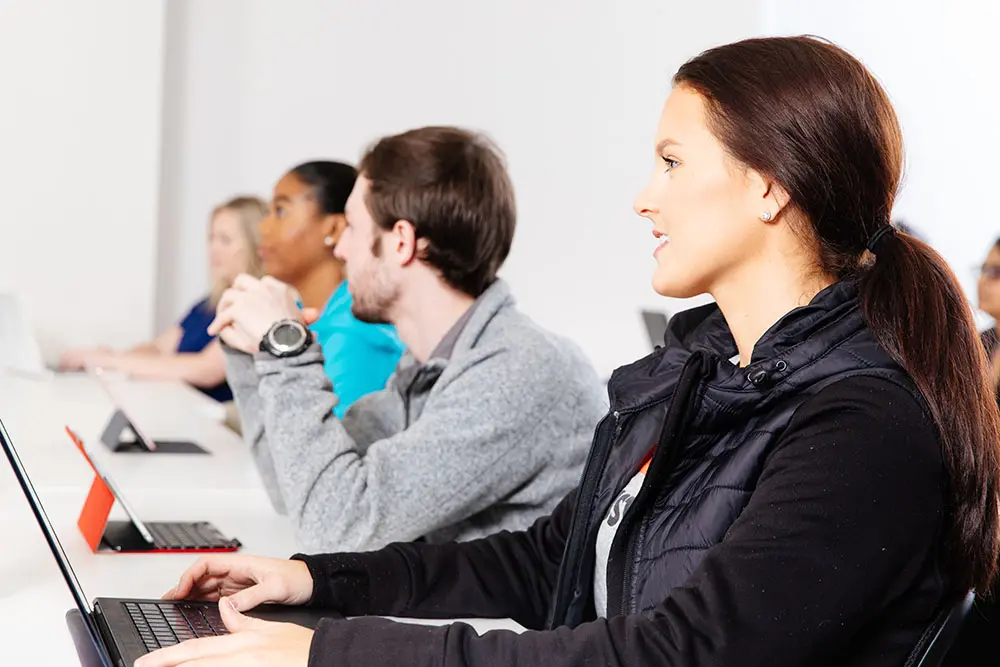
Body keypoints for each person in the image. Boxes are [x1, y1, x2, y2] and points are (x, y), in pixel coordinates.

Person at [137, 37, 1000, 667]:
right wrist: (307, 582)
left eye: (670, 162)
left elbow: (679, 652)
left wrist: (327, 656)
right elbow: (547, 556)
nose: (643, 197)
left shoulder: (863, 425)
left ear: (769, 185)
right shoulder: (700, 376)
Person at [211, 127, 606, 553]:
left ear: (401, 242)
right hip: (440, 615)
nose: (340, 249)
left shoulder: (517, 370)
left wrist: (286, 347)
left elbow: (337, 529)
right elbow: (294, 491)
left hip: (504, 622)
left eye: (353, 229)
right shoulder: (428, 367)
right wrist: (251, 353)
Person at [58, 196, 267, 402]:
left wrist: (111, 361)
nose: (214, 248)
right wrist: (114, 356)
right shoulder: (206, 305)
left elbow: (205, 370)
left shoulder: (255, 307)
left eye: (225, 240)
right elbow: (159, 348)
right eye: (211, 238)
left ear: (256, 245)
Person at [256, 161, 405, 418]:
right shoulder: (301, 318)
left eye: (280, 211)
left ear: (334, 229)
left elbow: (325, 448)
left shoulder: (356, 331)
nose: (263, 228)